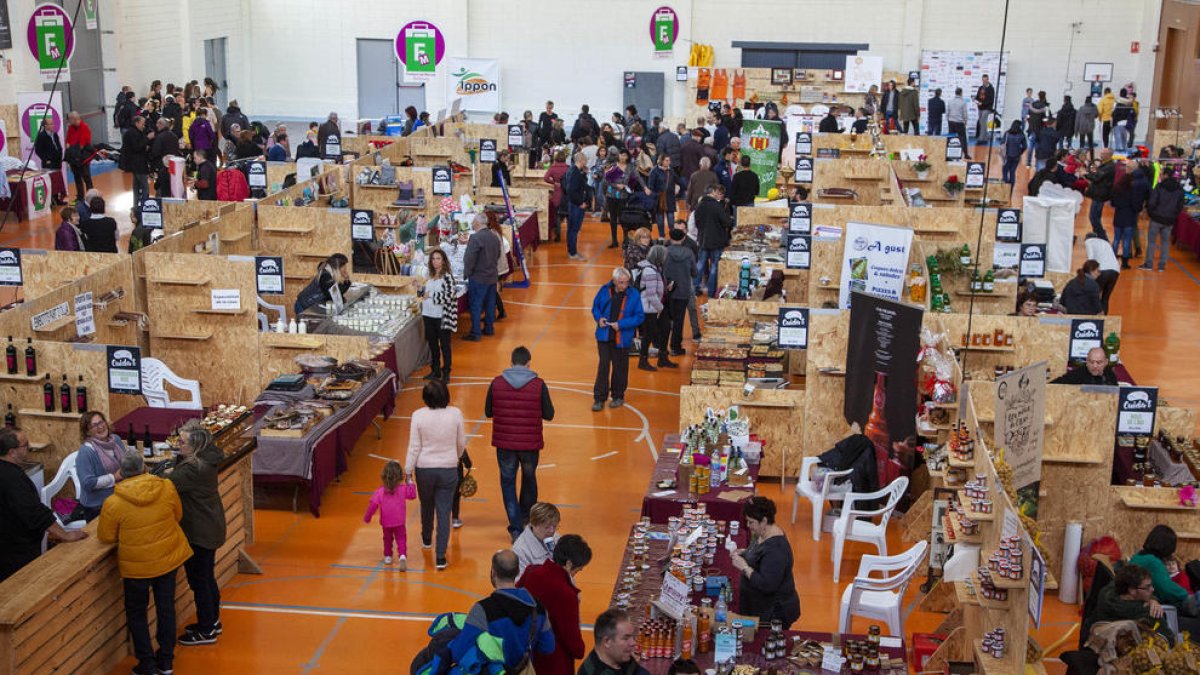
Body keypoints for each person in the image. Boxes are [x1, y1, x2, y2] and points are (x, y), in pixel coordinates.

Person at [97, 450, 193, 675]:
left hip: (136, 567)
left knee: (137, 613)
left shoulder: (113, 503)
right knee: (166, 608)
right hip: (167, 559)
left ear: (121, 473)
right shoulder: (166, 487)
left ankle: (146, 663)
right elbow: (178, 515)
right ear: (144, 467)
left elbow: (106, 536)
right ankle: (166, 661)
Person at [485, 346, 556, 541]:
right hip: (530, 444)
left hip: (505, 443)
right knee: (529, 479)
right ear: (528, 363)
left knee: (508, 483)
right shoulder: (539, 385)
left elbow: (488, 412)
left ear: (511, 363)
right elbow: (549, 414)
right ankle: (527, 519)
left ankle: (515, 528)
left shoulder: (496, 383)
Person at [0, 429, 88, 582]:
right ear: (12, 452)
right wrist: (65, 535)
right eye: (25, 445)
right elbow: (35, 513)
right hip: (16, 550)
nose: (29, 448)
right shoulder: (13, 479)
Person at [448, 550, 555, 675]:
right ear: (518, 572)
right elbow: (548, 647)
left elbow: (459, 651)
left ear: (493, 572)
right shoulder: (538, 608)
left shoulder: (482, 610)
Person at [168, 424, 227, 646]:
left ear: (195, 446)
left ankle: (206, 630)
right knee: (207, 577)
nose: (178, 445)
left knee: (199, 581)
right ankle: (212, 620)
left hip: (199, 531)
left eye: (182, 442)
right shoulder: (207, 459)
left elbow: (168, 484)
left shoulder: (194, 469)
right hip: (209, 525)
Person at [404, 379, 466, 571]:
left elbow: (414, 447)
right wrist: (455, 458)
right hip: (448, 468)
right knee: (444, 512)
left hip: (424, 469)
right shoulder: (455, 414)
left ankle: (426, 538)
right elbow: (461, 443)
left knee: (426, 505)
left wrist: (408, 470)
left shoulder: (418, 415)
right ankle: (440, 557)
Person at [517, 535, 592, 675]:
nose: (575, 575)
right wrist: (580, 650)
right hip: (553, 662)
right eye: (577, 570)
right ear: (569, 564)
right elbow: (572, 639)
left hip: (526, 654)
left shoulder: (531, 571)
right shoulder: (566, 594)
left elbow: (516, 599)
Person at [729, 497, 801, 629]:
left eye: (751, 522)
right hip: (759, 606)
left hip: (773, 613)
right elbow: (760, 553)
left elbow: (767, 585)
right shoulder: (763, 533)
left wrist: (744, 567)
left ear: (764, 521)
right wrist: (746, 552)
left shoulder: (776, 550)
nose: (748, 526)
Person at [591, 268, 645, 412]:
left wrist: (621, 324)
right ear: (614, 281)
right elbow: (595, 307)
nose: (623, 285)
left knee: (620, 367)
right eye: (621, 282)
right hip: (604, 336)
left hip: (622, 338)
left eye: (626, 282)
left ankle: (618, 395)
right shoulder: (604, 290)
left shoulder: (634, 294)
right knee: (603, 366)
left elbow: (639, 316)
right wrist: (599, 318)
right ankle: (599, 398)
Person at [364, 460, 416, 568]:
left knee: (387, 538)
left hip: (386, 521)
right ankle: (402, 555)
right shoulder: (402, 489)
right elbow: (412, 495)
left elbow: (373, 505)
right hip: (399, 520)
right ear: (400, 476)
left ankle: (388, 556)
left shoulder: (380, 491)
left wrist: (367, 517)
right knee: (401, 538)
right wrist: (410, 482)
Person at [635, 245, 675, 372]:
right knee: (648, 334)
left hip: (656, 306)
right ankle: (643, 361)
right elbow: (651, 295)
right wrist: (660, 309)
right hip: (650, 308)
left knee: (666, 328)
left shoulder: (656, 268)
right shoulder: (650, 271)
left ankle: (663, 358)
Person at [421, 249, 458, 382]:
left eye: (438, 258)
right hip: (427, 315)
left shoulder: (447, 277)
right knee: (432, 345)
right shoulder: (429, 275)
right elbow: (425, 293)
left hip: (441, 317)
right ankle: (435, 370)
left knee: (445, 346)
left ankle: (446, 372)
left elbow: (450, 295)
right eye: (433, 259)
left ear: (443, 261)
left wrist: (430, 295)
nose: (435, 261)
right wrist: (419, 289)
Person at [463, 213, 501, 342]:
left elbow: (469, 259)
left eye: (473, 222)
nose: (472, 224)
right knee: (490, 304)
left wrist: (467, 273)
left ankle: (476, 332)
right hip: (492, 276)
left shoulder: (475, 238)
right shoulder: (494, 236)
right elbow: (498, 254)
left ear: (478, 223)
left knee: (476, 305)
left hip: (478, 277)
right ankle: (489, 328)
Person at [578, 609, 649, 675]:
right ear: (607, 641)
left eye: (632, 637)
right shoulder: (593, 672)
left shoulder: (619, 657)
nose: (633, 643)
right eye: (626, 638)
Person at [665, 228, 698, 356]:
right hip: (683, 290)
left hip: (667, 290)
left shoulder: (665, 252)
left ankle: (661, 347)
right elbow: (694, 272)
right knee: (679, 320)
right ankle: (675, 347)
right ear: (683, 238)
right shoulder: (689, 253)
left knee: (665, 319)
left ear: (670, 238)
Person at [695, 184, 732, 297]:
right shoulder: (717, 206)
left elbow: (697, 222)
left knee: (700, 265)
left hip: (703, 240)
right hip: (716, 241)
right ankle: (711, 291)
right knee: (714, 267)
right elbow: (727, 222)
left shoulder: (700, 205)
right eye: (716, 192)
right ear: (713, 192)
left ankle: (694, 288)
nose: (717, 194)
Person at [1143, 170, 1184, 272]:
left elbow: (1152, 201)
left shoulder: (1160, 186)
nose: (1160, 176)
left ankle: (1149, 264)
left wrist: (1151, 213)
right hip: (1169, 220)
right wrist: (1174, 216)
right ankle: (1162, 266)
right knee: (1165, 243)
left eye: (1161, 174)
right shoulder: (1179, 189)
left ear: (1166, 175)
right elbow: (1180, 206)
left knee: (1151, 242)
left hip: (1156, 218)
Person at [1111, 161, 1148, 268]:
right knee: (1127, 240)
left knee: (1116, 239)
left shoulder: (1117, 187)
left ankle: (1111, 259)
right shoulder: (1134, 189)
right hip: (1129, 217)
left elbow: (1113, 202)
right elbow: (1136, 204)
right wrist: (1139, 209)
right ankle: (1125, 262)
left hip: (1118, 216)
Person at [512, 502, 562, 577]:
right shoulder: (520, 550)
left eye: (554, 526)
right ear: (533, 524)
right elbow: (520, 581)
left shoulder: (555, 537)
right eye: (547, 527)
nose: (552, 531)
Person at [604, 148, 640, 248]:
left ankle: (626, 240)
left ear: (628, 157)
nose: (622, 157)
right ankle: (614, 241)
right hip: (611, 196)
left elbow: (635, 180)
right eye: (621, 154)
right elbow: (607, 180)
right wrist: (616, 185)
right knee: (613, 219)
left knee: (623, 219)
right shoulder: (613, 166)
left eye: (625, 155)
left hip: (623, 196)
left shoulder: (630, 168)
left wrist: (628, 186)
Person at [1083, 233, 1121, 313]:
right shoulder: (1105, 242)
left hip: (1103, 270)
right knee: (1105, 298)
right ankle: (1104, 318)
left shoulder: (1089, 242)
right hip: (1115, 270)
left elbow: (1091, 259)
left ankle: (1093, 317)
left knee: (1094, 295)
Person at [121, 115, 154, 208]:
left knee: (136, 186)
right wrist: (147, 138)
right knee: (144, 185)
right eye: (142, 124)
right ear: (137, 123)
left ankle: (136, 206)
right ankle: (145, 206)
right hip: (138, 164)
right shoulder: (133, 133)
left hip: (134, 164)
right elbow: (136, 147)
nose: (144, 126)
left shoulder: (132, 132)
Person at [563, 152, 590, 261]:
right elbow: (571, 190)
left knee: (572, 229)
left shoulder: (572, 170)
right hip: (576, 205)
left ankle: (572, 251)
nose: (586, 162)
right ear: (581, 160)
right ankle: (573, 253)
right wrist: (580, 203)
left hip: (573, 203)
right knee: (574, 229)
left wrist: (583, 174)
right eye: (585, 160)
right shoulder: (575, 172)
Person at [64, 112, 97, 199]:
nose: (69, 121)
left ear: (74, 119)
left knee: (86, 177)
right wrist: (70, 148)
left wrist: (71, 148)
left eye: (70, 119)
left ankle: (91, 197)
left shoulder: (84, 127)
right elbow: (67, 141)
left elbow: (82, 144)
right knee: (77, 177)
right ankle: (80, 196)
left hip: (83, 156)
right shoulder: (70, 128)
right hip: (73, 156)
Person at [1085, 148, 1116, 239]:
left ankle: (1102, 236)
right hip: (1098, 194)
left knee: (1093, 216)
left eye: (1103, 153)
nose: (1101, 155)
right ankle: (1097, 234)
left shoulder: (1109, 166)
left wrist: (1085, 174)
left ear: (1108, 155)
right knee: (1095, 216)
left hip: (1100, 195)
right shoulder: (1106, 164)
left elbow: (1097, 178)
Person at [1051, 347, 1118, 386]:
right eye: (1091, 362)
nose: (1095, 366)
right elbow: (1054, 385)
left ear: (1106, 362)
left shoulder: (1110, 374)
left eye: (1099, 362)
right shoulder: (1078, 374)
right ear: (1087, 362)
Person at [647, 154, 677, 239]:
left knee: (671, 219)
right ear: (661, 161)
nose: (669, 162)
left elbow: (677, 180)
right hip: (659, 198)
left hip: (670, 198)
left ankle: (672, 236)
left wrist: (679, 186)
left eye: (669, 160)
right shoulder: (654, 171)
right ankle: (661, 236)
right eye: (667, 160)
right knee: (660, 218)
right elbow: (651, 186)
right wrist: (656, 195)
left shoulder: (671, 170)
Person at [150, 117, 180, 198]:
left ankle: (162, 203)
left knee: (161, 189)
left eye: (157, 123)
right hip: (173, 166)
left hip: (161, 166)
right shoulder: (174, 136)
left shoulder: (160, 137)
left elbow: (155, 152)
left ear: (161, 125)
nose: (156, 125)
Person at [544, 149, 570, 243]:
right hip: (567, 194)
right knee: (568, 215)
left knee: (557, 216)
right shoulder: (568, 168)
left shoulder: (553, 168)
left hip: (557, 194)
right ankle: (569, 236)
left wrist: (554, 183)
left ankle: (558, 236)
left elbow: (545, 178)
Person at [1002, 121, 1027, 186]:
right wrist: (1020, 152)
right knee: (1012, 171)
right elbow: (1025, 146)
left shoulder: (1007, 133)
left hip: (1007, 155)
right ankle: (1011, 187)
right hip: (1016, 156)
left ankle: (1005, 184)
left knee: (1005, 170)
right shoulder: (1021, 135)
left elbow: (1002, 143)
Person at [946, 87, 969, 159]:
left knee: (950, 138)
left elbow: (947, 112)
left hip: (951, 122)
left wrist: (948, 120)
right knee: (963, 138)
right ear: (961, 93)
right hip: (959, 122)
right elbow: (965, 114)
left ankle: (948, 154)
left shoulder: (950, 101)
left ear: (955, 93)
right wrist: (965, 121)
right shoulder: (963, 102)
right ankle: (966, 154)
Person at [974, 74, 996, 141]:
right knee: (981, 122)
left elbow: (990, 100)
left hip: (987, 108)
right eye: (983, 80)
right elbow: (978, 96)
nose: (984, 82)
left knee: (983, 122)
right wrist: (975, 100)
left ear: (988, 80)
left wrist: (982, 103)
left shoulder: (991, 89)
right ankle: (986, 137)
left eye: (985, 80)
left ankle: (981, 138)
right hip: (980, 107)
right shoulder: (980, 88)